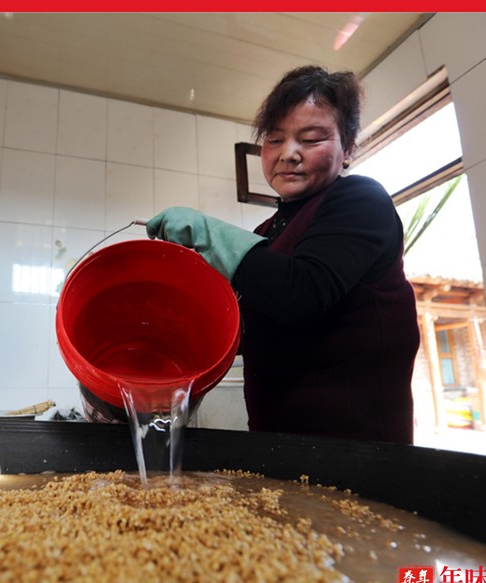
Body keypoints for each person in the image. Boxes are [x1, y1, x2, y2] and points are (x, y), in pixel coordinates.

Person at [146, 65, 420, 444]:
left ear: (348, 149)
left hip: (356, 449)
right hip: (275, 443)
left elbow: (301, 293)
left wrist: (210, 234)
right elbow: (244, 329)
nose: (288, 154)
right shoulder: (267, 232)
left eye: (311, 139)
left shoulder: (360, 200)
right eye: (275, 139)